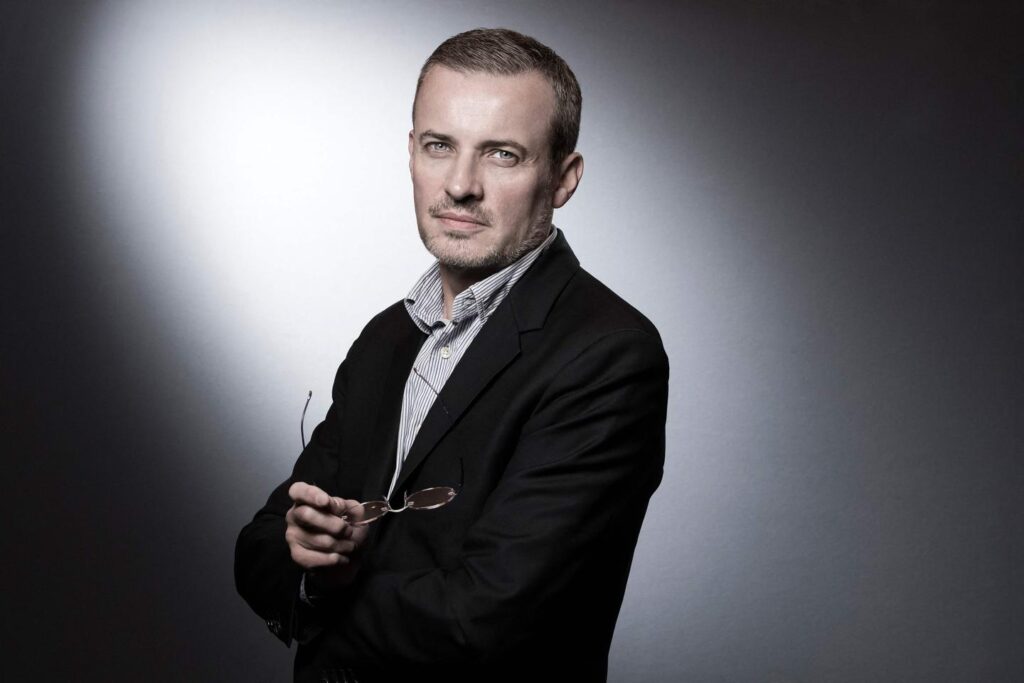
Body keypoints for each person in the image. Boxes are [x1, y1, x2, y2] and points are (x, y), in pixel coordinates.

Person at [235, 27, 669, 683]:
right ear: (411, 152)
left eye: (502, 154)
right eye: (440, 146)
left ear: (563, 178)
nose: (461, 185)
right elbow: (262, 545)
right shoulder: (387, 337)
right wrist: (307, 553)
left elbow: (487, 622)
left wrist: (326, 588)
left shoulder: (609, 355)